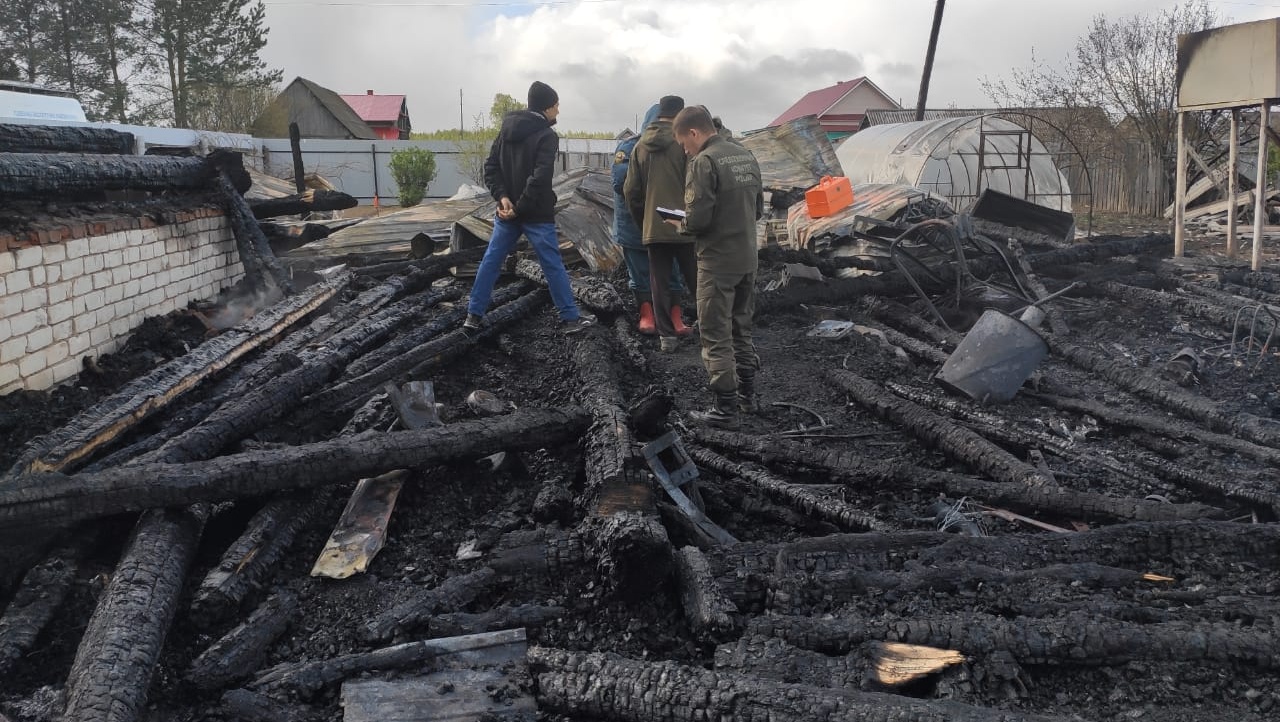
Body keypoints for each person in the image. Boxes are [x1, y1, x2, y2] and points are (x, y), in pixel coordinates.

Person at [464, 81, 592, 335]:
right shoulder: (547, 136)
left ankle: (473, 317)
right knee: (552, 264)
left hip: (507, 212)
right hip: (534, 213)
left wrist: (503, 198)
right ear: (546, 107)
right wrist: (520, 208)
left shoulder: (505, 131)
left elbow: (490, 168)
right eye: (556, 106)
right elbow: (541, 177)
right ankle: (570, 319)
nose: (558, 111)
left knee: (491, 260)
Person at [670, 105, 764, 428]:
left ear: (694, 133)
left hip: (716, 263)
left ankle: (725, 409)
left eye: (684, 143)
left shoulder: (703, 163)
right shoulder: (745, 156)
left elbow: (697, 220)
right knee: (742, 327)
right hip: (747, 259)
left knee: (715, 334)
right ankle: (749, 397)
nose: (685, 150)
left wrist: (678, 225)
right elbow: (759, 210)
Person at [624, 95, 696, 352]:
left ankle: (667, 337)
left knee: (659, 281)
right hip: (686, 226)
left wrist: (644, 220)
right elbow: (696, 182)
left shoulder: (639, 146)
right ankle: (712, 332)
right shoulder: (685, 142)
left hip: (654, 225)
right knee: (698, 280)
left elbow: (630, 190)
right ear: (680, 114)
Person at [612, 104, 686, 335]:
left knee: (673, 271)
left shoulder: (681, 147)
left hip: (668, 223)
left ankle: (675, 315)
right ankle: (647, 313)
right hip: (634, 222)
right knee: (640, 271)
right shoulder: (629, 147)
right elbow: (621, 184)